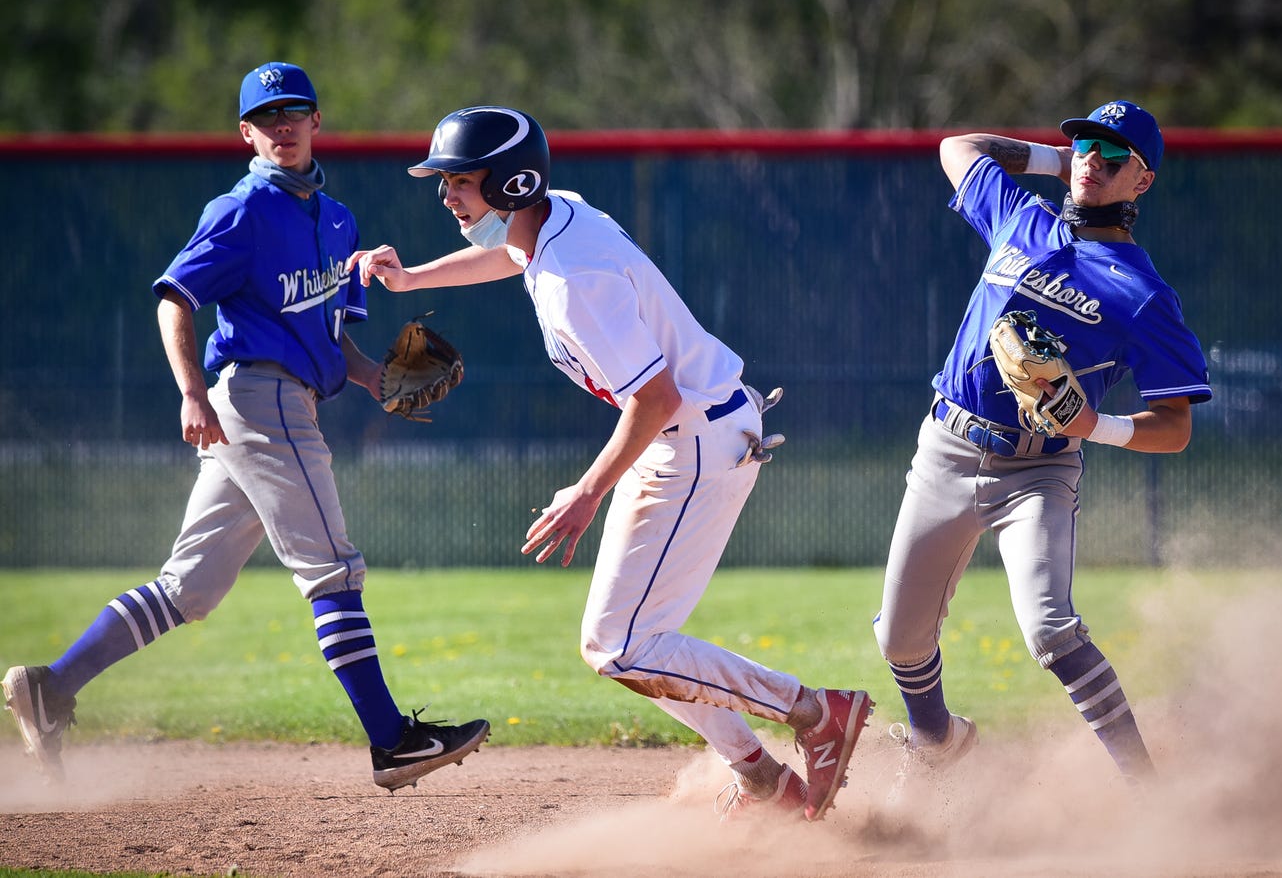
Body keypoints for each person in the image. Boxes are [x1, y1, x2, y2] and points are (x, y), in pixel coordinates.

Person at [350, 105, 871, 822]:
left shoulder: (574, 283)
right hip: (694, 436)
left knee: (623, 645)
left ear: (507, 183)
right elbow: (509, 253)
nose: (445, 195)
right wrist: (411, 282)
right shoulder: (554, 215)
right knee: (637, 642)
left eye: (458, 181)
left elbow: (655, 399)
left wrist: (589, 491)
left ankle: (816, 715)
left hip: (693, 443)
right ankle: (764, 781)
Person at [2, 62, 489, 792]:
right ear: (246, 134)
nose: (282, 126)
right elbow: (175, 298)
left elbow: (334, 345)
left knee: (188, 588)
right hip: (261, 398)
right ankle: (392, 741)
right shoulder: (239, 211)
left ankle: (53, 685)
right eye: (266, 118)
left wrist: (379, 381)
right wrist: (190, 391)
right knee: (331, 566)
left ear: (317, 121)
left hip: (282, 400)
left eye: (294, 111)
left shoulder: (337, 220)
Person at [873, 100, 1211, 792]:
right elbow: (960, 144)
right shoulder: (1020, 217)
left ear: (1142, 183)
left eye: (1113, 156)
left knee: (1052, 631)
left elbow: (1175, 427)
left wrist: (1095, 427)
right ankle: (938, 742)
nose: (1093, 159)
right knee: (898, 640)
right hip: (946, 446)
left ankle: (1148, 795)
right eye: (1085, 146)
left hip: (1038, 468)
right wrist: (1059, 160)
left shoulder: (1143, 295)